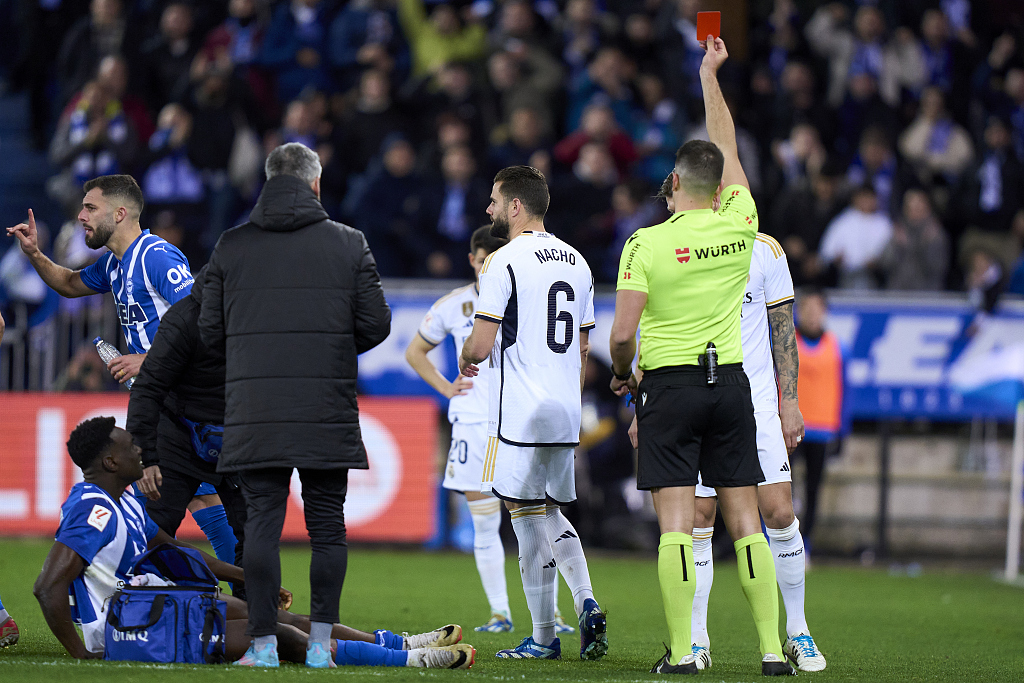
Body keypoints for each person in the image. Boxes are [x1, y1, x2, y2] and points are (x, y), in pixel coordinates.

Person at [608, 37, 792, 675]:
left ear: (677, 183)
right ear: (720, 187)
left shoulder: (647, 244)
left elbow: (624, 334)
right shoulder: (742, 225)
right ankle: (773, 650)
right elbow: (730, 149)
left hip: (671, 387)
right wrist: (711, 77)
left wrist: (621, 373)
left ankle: (686, 653)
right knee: (746, 522)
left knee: (678, 528)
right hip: (732, 386)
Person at [32, 417, 473, 668]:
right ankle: (411, 664)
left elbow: (177, 551)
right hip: (128, 630)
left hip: (157, 609)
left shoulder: (122, 500)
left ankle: (400, 643)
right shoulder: (93, 509)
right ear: (110, 460)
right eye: (131, 447)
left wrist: (250, 578)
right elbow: (48, 585)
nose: (141, 452)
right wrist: (82, 653)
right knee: (276, 634)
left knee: (278, 615)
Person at [199, 142, 392, 668]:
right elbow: (377, 324)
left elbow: (209, 332)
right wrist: (326, 344)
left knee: (261, 524)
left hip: (253, 409)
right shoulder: (350, 244)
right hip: (324, 407)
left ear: (267, 182)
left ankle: (262, 646)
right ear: (315, 185)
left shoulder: (231, 245)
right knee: (327, 526)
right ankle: (322, 648)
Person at [6, 174, 238, 565]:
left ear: (120, 212)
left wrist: (148, 360)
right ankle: (247, 591)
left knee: (155, 503)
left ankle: (143, 595)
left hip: (188, 400)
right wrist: (34, 254)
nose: (81, 216)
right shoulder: (115, 265)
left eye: (90, 208)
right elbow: (67, 282)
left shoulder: (157, 257)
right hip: (166, 402)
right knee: (200, 498)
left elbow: (207, 324)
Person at [645, 174, 826, 672]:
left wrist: (789, 401)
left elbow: (782, 330)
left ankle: (796, 631)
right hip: (699, 395)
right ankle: (698, 642)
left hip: (757, 402)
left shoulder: (765, 251)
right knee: (700, 516)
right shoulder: (673, 244)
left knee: (778, 511)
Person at [458, 166, 608, 661]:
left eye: (495, 201)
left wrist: (465, 354)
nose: (489, 210)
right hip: (566, 410)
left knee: (523, 517)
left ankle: (544, 636)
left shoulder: (502, 261)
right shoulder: (580, 262)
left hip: (522, 412)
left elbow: (481, 346)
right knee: (552, 511)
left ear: (516, 206)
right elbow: (584, 350)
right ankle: (586, 600)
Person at [125, 265, 246, 584]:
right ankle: (140, 613)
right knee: (156, 531)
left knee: (256, 534)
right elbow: (148, 388)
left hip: (238, 438)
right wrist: (146, 458)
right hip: (180, 439)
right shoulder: (183, 319)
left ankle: (255, 621)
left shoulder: (258, 318)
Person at [792, 289, 843, 552]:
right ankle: (778, 542)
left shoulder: (836, 345)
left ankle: (806, 544)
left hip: (822, 430)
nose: (812, 315)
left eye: (816, 309)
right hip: (789, 429)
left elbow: (845, 389)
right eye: (807, 309)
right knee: (782, 489)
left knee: (813, 491)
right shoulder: (786, 342)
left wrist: (842, 431)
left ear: (824, 312)